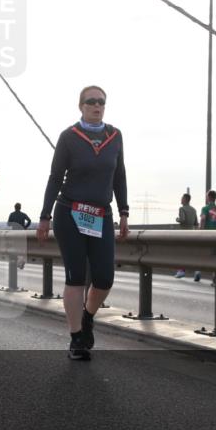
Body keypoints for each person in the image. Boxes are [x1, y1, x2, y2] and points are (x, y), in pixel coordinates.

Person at [36, 86, 129, 361]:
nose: (96, 106)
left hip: (101, 215)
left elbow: (119, 175)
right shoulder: (69, 137)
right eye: (91, 102)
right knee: (76, 277)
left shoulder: (115, 136)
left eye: (101, 102)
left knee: (104, 278)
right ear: (81, 106)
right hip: (70, 213)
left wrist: (124, 211)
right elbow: (55, 177)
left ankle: (88, 316)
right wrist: (44, 216)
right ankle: (76, 337)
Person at [174, 193, 199, 279]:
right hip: (192, 233)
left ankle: (181, 271)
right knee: (192, 254)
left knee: (182, 253)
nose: (181, 199)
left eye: (182, 198)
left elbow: (183, 219)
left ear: (185, 199)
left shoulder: (182, 209)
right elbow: (196, 223)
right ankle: (197, 271)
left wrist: (177, 219)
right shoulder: (194, 210)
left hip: (184, 234)